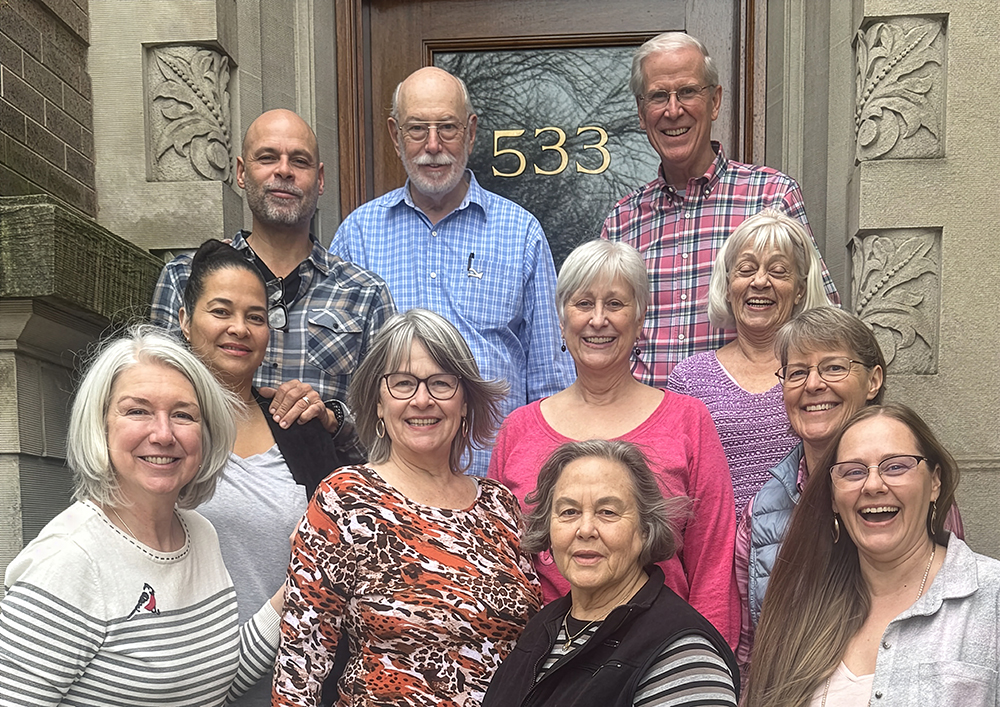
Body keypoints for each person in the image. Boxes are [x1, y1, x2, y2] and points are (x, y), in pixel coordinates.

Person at [272, 308, 541, 706]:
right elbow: (302, 659)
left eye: (441, 383)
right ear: (379, 403)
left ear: (465, 401)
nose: (422, 399)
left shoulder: (500, 506)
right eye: (403, 383)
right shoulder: (347, 497)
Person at [0, 326, 280, 705]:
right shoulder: (70, 561)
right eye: (137, 411)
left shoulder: (199, 533)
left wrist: (298, 584)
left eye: (183, 415)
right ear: (101, 425)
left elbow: (215, 685)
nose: (163, 434)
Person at [489, 239, 739, 648]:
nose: (598, 319)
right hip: (546, 663)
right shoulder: (519, 430)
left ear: (640, 318)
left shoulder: (687, 421)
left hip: (660, 657)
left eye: (616, 304)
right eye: (583, 303)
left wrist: (708, 666)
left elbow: (713, 563)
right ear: (561, 318)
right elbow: (501, 566)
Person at [330, 66, 574, 477]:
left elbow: (551, 382)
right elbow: (340, 381)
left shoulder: (520, 232)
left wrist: (544, 485)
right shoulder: (358, 234)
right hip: (391, 493)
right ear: (394, 135)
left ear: (472, 132)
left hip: (499, 488)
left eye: (447, 127)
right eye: (416, 129)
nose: (433, 145)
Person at [735, 307, 963, 674]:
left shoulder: (914, 494)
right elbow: (751, 658)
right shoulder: (760, 514)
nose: (813, 385)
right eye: (797, 372)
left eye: (833, 367)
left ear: (873, 380)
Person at [601, 32, 839, 383]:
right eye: (657, 96)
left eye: (687, 92)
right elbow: (604, 336)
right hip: (647, 431)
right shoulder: (622, 222)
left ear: (714, 101)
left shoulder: (772, 196)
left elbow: (821, 320)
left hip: (743, 424)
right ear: (641, 113)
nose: (673, 110)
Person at [151, 108, 395, 440]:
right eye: (267, 158)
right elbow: (156, 397)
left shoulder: (365, 294)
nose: (284, 171)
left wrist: (333, 417)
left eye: (300, 161)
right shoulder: (186, 277)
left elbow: (389, 420)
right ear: (241, 172)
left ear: (320, 179)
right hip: (209, 481)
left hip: (323, 483)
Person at [177, 239, 348, 707]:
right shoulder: (161, 434)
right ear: (185, 320)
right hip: (188, 679)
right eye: (221, 311)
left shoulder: (299, 427)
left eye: (255, 317)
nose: (239, 328)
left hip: (298, 681)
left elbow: (342, 546)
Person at [746, 404, 998, 706]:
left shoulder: (990, 598)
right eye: (853, 472)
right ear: (834, 498)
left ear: (934, 482)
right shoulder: (800, 608)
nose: (873, 485)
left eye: (896, 466)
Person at [482, 440, 738, 707]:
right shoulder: (544, 627)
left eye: (607, 512)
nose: (585, 529)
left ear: (645, 530)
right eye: (569, 512)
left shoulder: (682, 655)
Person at [668, 209, 835, 519]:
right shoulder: (690, 379)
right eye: (746, 269)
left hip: (806, 555)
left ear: (800, 289)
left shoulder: (822, 375)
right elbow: (674, 491)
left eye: (778, 271)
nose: (760, 281)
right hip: (718, 561)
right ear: (729, 284)